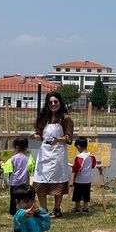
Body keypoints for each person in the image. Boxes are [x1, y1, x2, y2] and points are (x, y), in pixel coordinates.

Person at [30, 91, 74, 219]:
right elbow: (40, 135)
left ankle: (57, 209)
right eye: (50, 102)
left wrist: (58, 140)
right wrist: (35, 136)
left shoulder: (65, 119)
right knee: (40, 181)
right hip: (44, 153)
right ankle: (43, 210)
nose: (53, 104)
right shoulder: (43, 118)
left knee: (58, 181)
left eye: (55, 102)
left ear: (60, 102)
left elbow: (69, 138)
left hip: (58, 154)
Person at [2, 136, 34, 216]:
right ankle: (26, 210)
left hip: (14, 182)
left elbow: (7, 167)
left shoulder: (13, 158)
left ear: (16, 147)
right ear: (26, 147)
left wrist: (1, 164)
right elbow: (32, 167)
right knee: (24, 197)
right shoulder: (28, 158)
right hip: (24, 182)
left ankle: (12, 212)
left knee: (13, 199)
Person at [71, 137, 97, 213]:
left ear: (78, 146)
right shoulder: (91, 156)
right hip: (88, 179)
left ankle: (77, 208)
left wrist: (73, 171)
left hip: (79, 179)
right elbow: (93, 165)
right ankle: (86, 208)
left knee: (77, 195)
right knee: (86, 194)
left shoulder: (79, 157)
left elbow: (77, 168)